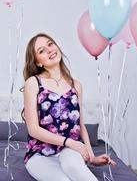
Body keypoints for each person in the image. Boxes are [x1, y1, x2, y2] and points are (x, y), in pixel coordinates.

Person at [22, 33, 116, 181]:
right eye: (41, 50)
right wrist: (71, 142)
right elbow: (33, 129)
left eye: (50, 44)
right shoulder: (33, 83)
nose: (49, 49)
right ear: (38, 63)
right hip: (40, 154)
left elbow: (80, 125)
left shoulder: (76, 85)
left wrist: (92, 157)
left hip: (70, 150)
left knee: (74, 167)